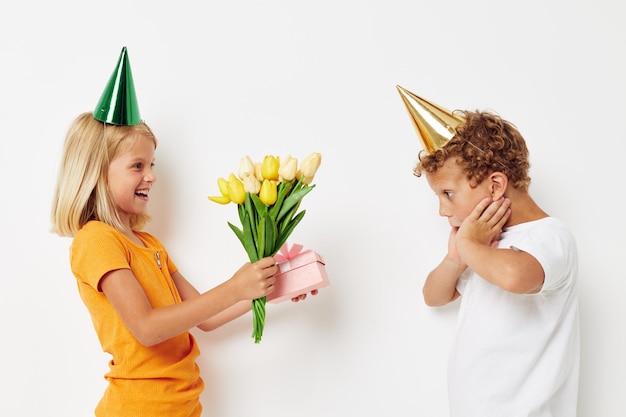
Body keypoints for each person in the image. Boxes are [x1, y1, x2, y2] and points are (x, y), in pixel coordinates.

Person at [50, 47, 311, 417]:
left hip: (182, 406)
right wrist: (236, 287)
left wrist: (269, 287)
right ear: (96, 173)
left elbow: (205, 316)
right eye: (137, 165)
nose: (151, 175)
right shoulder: (96, 240)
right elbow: (146, 328)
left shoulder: (150, 245)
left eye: (151, 164)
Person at [397, 86, 580, 416]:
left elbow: (515, 277)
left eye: (448, 194)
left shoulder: (550, 236)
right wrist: (454, 258)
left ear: (495, 186)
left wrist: (468, 246)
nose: (442, 210)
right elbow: (434, 295)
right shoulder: (484, 243)